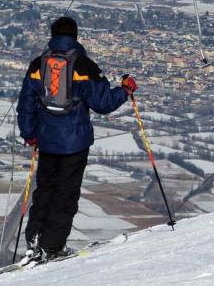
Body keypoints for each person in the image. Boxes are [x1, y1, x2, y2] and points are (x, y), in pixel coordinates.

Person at [16, 16, 138, 261]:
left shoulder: (37, 66)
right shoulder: (84, 66)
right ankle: (52, 246)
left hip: (46, 140)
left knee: (45, 190)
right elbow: (102, 103)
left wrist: (30, 134)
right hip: (74, 143)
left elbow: (26, 105)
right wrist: (125, 90)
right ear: (75, 36)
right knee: (66, 193)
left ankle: (34, 240)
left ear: (52, 35)